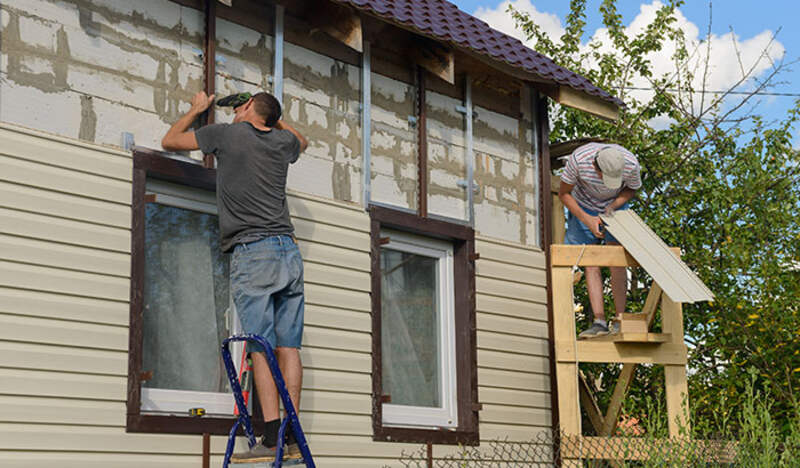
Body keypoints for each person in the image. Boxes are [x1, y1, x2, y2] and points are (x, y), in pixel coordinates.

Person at [161, 90, 309, 462]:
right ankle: (291, 433)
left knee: (260, 345)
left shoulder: (227, 134)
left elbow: (170, 140)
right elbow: (302, 141)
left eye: (239, 107)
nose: (234, 111)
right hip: (288, 251)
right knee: (288, 346)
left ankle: (272, 436)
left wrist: (196, 110)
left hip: (253, 250)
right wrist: (271, 119)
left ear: (246, 111)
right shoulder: (282, 141)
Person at [558, 142, 642, 339]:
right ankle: (599, 321)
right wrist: (587, 219)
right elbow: (564, 194)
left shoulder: (630, 164)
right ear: (595, 168)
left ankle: (620, 319)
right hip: (582, 205)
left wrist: (612, 208)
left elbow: (631, 190)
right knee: (590, 259)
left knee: (616, 258)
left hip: (614, 207)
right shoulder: (578, 161)